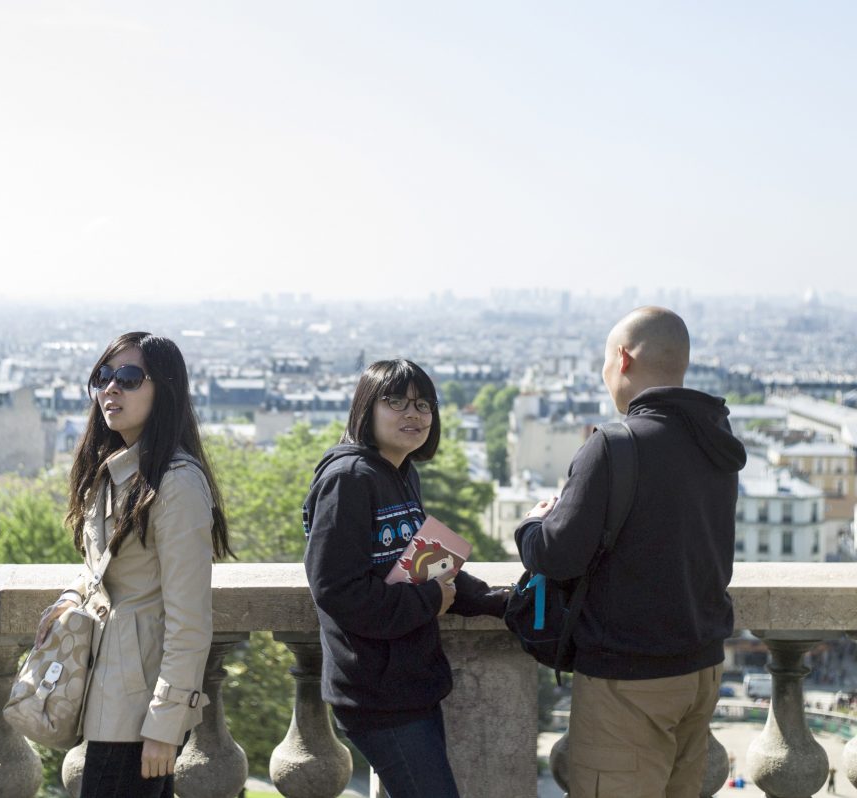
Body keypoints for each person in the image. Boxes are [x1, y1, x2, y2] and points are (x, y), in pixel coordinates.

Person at [516, 307, 746, 798]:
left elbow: (555, 556)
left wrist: (534, 522)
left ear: (622, 358)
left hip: (630, 676)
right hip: (701, 667)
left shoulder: (616, 446)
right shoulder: (718, 442)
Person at [35, 332, 230, 798]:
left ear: (164, 390)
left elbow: (190, 620)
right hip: (111, 692)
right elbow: (103, 569)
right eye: (103, 376)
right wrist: (71, 596)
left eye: (128, 377)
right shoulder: (117, 470)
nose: (110, 389)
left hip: (138, 706)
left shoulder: (177, 484)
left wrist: (165, 724)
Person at [302, 359, 508, 798]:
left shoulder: (401, 472)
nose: (413, 414)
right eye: (395, 401)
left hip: (407, 682)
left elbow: (423, 562)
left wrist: (495, 599)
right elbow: (338, 591)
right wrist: (431, 600)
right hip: (375, 692)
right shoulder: (348, 480)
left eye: (423, 404)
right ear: (366, 409)